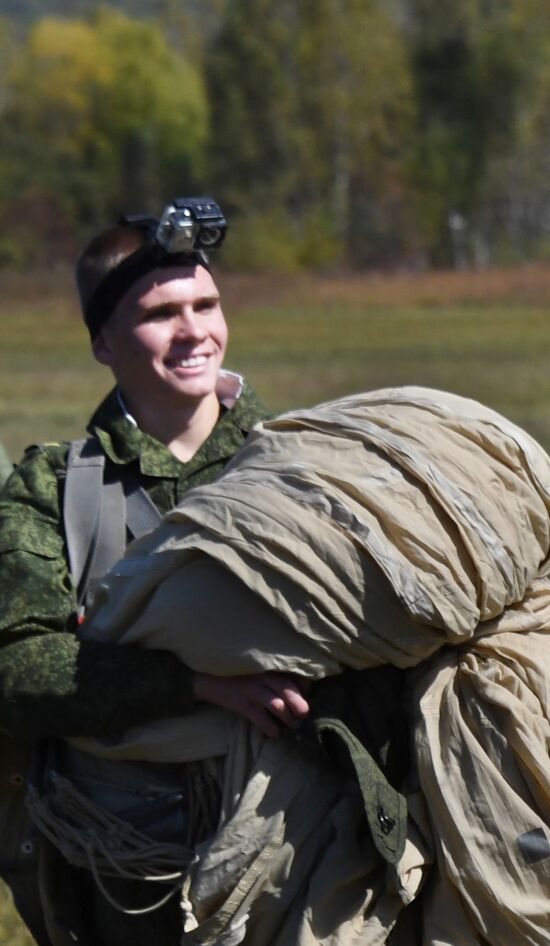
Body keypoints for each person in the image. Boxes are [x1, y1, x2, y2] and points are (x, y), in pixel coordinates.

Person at [0, 206, 309, 945]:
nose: (194, 331)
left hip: (302, 851)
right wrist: (198, 686)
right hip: (123, 870)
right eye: (161, 313)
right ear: (104, 342)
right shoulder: (53, 487)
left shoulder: (301, 463)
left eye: (206, 304)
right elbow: (16, 667)